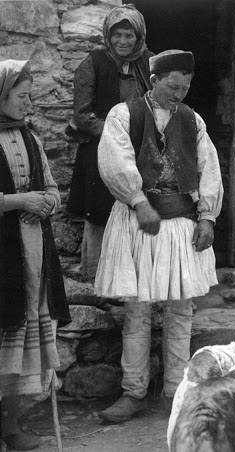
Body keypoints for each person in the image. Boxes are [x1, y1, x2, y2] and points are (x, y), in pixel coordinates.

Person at [95, 49, 223, 423]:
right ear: (153, 81)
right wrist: (137, 200)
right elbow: (114, 160)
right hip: (141, 223)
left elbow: (208, 169)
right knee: (137, 311)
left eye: (184, 88)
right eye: (172, 86)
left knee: (181, 311)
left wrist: (207, 218)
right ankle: (133, 392)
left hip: (181, 225)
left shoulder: (193, 120)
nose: (179, 94)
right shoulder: (125, 114)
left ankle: (177, 394)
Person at [0, 59, 71, 451]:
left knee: (17, 343)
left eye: (30, 96)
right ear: (2, 95)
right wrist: (16, 201)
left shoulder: (29, 136)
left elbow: (51, 188)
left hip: (30, 254)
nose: (29, 104)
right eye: (22, 96)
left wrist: (47, 201)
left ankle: (11, 428)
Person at [67, 4, 153, 279]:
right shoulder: (92, 63)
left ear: (138, 36)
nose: (123, 41)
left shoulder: (151, 63)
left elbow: (160, 105)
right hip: (100, 149)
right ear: (108, 35)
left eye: (129, 35)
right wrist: (114, 133)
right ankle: (99, 277)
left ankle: (134, 278)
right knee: (101, 210)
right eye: (117, 35)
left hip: (140, 150)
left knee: (138, 206)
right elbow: (82, 114)